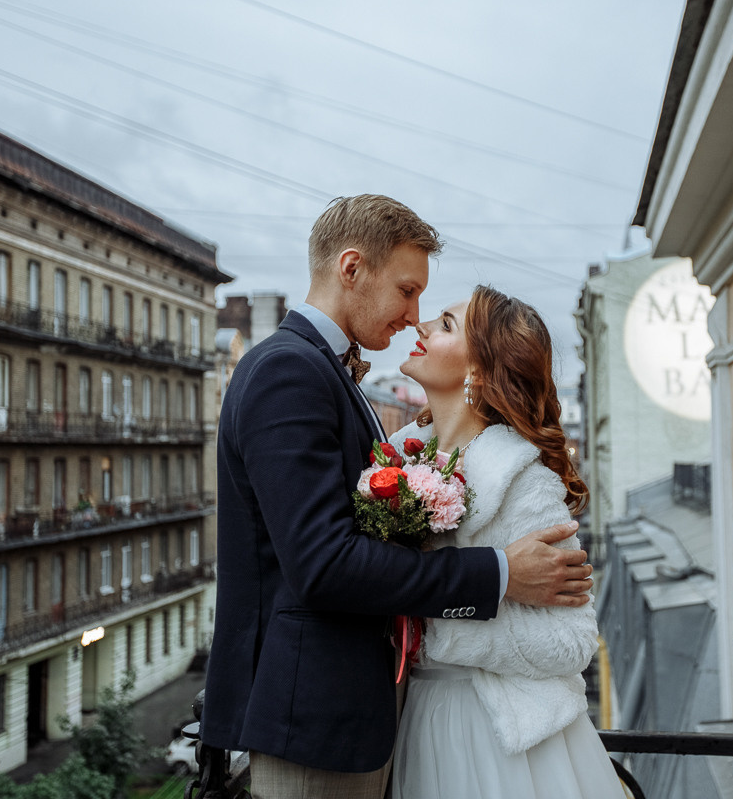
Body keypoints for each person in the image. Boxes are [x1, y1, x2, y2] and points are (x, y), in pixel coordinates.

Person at [200, 196, 595, 799]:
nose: (413, 317)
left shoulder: (333, 377)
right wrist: (497, 574)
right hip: (312, 717)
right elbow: (324, 563)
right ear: (351, 269)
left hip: (385, 721)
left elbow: (571, 633)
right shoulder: (290, 370)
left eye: (432, 313)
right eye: (408, 292)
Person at [389, 285, 626, 799]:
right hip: (418, 720)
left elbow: (575, 642)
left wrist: (442, 638)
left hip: (501, 737)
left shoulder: (523, 480)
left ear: (479, 369)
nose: (422, 326)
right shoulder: (397, 465)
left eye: (447, 324)